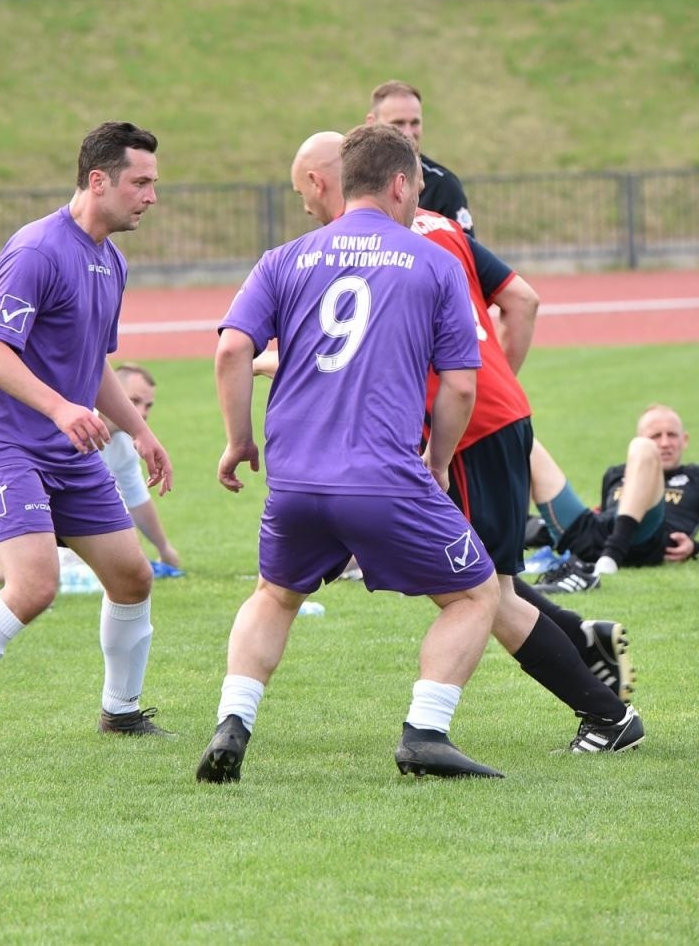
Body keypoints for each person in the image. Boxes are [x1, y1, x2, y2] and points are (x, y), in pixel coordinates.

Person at [273, 130, 642, 749]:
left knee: (482, 594)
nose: (306, 209)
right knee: (483, 579)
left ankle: (607, 715)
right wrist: (500, 381)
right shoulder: (439, 227)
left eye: (303, 194)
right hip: (495, 416)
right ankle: (581, 639)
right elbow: (520, 298)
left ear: (323, 180)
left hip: (466, 427)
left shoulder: (352, 252)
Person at [199, 123, 505, 784]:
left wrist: (238, 439)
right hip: (383, 476)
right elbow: (460, 383)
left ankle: (233, 721)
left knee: (275, 594)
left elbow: (231, 348)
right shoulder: (433, 262)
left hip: (295, 479)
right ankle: (425, 731)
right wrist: (440, 460)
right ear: (400, 183)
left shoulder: (285, 257)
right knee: (475, 594)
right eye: (418, 187)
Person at [0, 121, 175, 759]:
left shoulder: (111, 260)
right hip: (3, 442)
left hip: (65, 446)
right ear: (98, 180)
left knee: (132, 577)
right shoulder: (39, 250)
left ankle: (121, 713)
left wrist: (140, 430)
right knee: (35, 585)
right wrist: (59, 408)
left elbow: (93, 362)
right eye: (141, 182)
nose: (152, 196)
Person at [532, 405, 699, 593]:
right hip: (597, 536)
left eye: (672, 435)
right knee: (525, 440)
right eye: (656, 436)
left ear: (684, 439)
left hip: (646, 537)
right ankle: (507, 553)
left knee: (643, 448)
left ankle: (612, 554)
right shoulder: (615, 474)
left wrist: (697, 548)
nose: (664, 443)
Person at [100, 362, 182, 574]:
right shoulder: (77, 424)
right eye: (134, 401)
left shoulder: (126, 445)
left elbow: (136, 499)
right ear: (111, 393)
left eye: (148, 406)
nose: (143, 413)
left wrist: (164, 549)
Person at [366, 79, 473, 238]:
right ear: (371, 123)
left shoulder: (443, 186)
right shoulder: (354, 180)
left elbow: (465, 255)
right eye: (398, 123)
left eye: (415, 123)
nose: (408, 133)